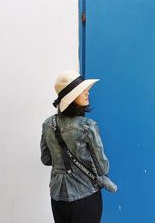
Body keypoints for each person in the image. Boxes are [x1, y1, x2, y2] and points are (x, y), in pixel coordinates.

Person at [40, 70, 112, 223]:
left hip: (57, 197)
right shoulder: (88, 126)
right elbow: (102, 168)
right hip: (85, 196)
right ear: (71, 98)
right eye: (82, 90)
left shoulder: (48, 124)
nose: (87, 92)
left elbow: (46, 159)